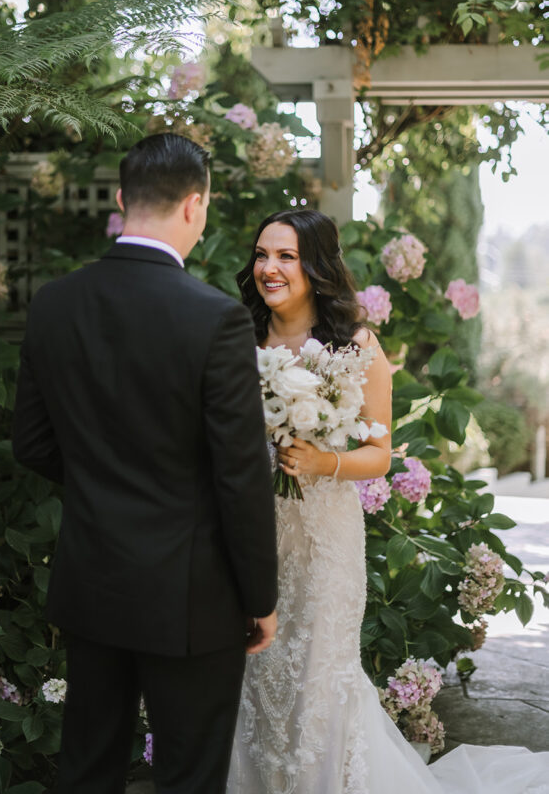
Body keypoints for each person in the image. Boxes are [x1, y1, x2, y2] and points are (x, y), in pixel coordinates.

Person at [227, 208, 549, 794]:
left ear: (317, 266)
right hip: (254, 533)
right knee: (260, 678)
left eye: (286, 256)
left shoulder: (355, 345)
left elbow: (378, 454)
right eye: (261, 255)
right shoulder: (241, 336)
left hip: (324, 541)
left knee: (318, 681)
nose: (268, 268)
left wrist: (326, 462)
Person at [12, 132, 278, 794]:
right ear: (195, 206)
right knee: (188, 775)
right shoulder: (215, 319)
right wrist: (260, 597)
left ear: (123, 199)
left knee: (88, 767)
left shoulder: (54, 303)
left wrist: (106, 490)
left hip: (92, 582)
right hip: (193, 596)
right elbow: (240, 476)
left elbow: (32, 444)